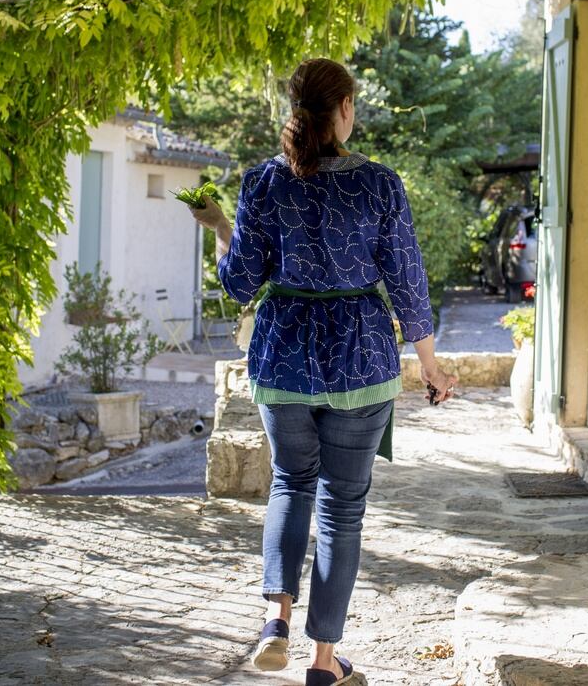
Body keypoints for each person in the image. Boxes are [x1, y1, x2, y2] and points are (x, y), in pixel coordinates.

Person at [189, 57, 458, 686]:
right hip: (361, 362)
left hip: (282, 360)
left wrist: (218, 227)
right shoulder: (380, 184)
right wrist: (430, 368)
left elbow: (239, 283)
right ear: (343, 110)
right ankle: (323, 662)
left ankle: (275, 622)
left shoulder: (262, 182)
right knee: (343, 510)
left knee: (290, 485)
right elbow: (409, 282)